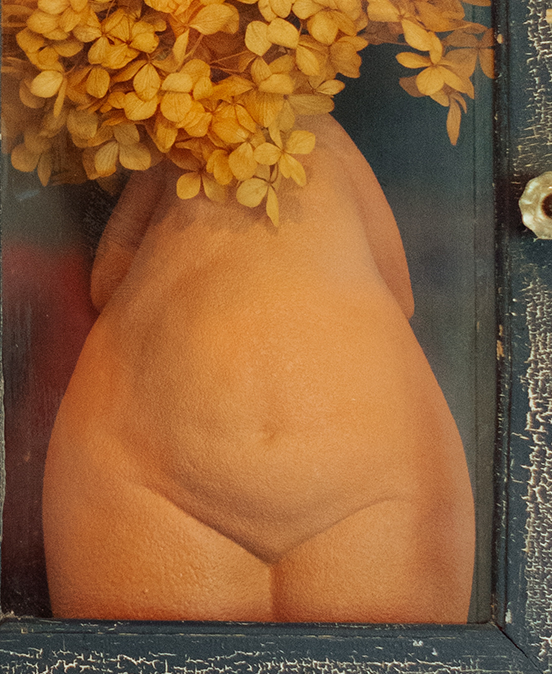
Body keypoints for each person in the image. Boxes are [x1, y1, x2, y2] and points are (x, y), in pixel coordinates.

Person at [40, 115, 474, 622]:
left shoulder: (225, 142)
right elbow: (397, 291)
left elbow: (109, 278)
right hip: (155, 470)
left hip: (364, 484)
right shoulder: (192, 145)